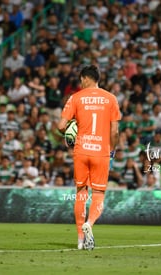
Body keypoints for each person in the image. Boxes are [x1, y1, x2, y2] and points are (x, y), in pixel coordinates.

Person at [58, 65, 121, 250]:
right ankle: (90, 224)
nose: (80, 83)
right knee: (99, 193)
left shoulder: (75, 98)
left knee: (81, 192)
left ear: (85, 78)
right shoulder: (111, 99)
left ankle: (79, 239)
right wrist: (112, 150)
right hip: (101, 152)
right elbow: (115, 131)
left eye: (80, 80)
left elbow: (61, 126)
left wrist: (71, 131)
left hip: (81, 150)